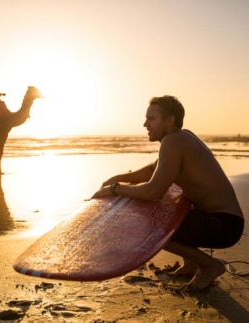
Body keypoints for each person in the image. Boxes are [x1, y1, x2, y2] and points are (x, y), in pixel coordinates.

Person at [92, 95, 244, 291]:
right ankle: (190, 264)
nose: (145, 124)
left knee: (154, 228)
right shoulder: (181, 137)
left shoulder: (173, 142)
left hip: (223, 225)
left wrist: (114, 190)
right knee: (169, 208)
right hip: (225, 221)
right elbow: (153, 170)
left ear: (169, 120)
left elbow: (153, 192)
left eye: (151, 119)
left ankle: (209, 265)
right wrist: (118, 177)